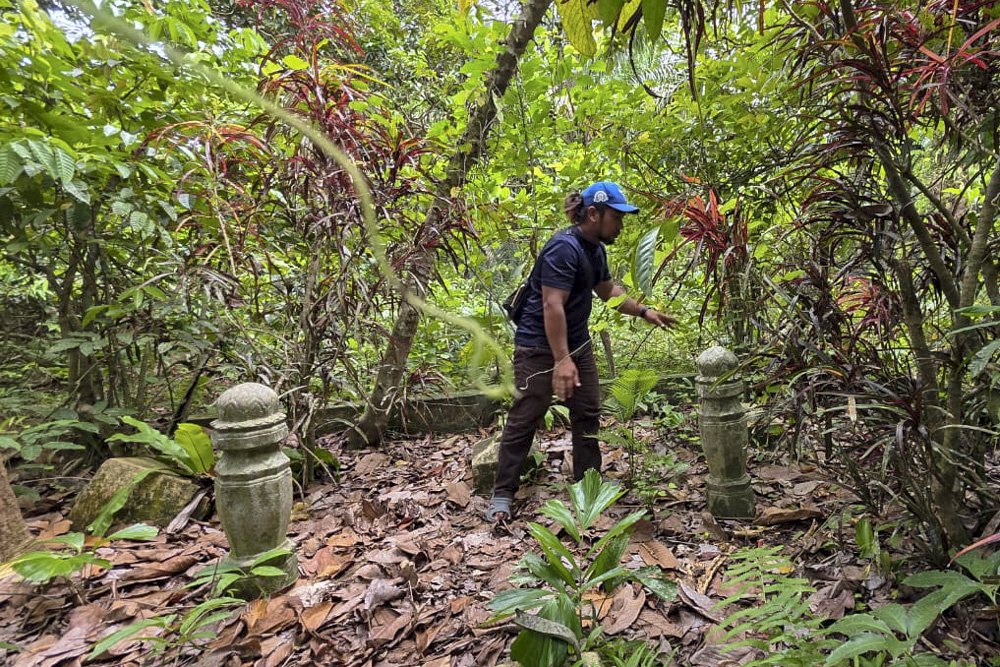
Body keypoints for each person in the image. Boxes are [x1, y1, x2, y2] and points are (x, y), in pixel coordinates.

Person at [486, 181, 676, 522]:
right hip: (538, 347)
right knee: (526, 415)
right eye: (616, 217)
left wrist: (645, 312)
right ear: (593, 213)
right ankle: (502, 495)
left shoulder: (594, 249)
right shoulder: (564, 248)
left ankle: (589, 489)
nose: (620, 225)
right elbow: (551, 304)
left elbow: (607, 290)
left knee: (587, 413)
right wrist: (561, 360)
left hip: (576, 345)